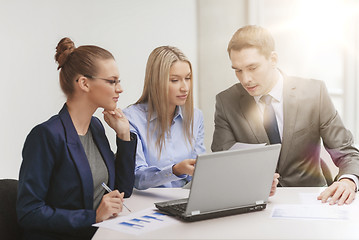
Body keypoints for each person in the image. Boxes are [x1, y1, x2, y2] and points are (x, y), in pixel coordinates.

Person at [212, 25, 359, 205]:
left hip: (311, 201)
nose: (245, 79)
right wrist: (252, 182)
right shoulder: (226, 102)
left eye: (252, 68)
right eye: (238, 70)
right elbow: (222, 163)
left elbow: (346, 152)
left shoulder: (314, 92)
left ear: (273, 59)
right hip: (253, 203)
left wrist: (348, 181)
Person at [17, 37, 137, 240]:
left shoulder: (95, 127)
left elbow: (123, 190)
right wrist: (93, 216)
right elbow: (29, 212)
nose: (120, 89)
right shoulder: (46, 135)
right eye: (112, 81)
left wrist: (124, 136)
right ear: (84, 83)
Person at [123, 46, 205, 190]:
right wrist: (175, 171)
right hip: (147, 204)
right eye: (175, 80)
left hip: (182, 200)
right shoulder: (132, 119)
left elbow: (198, 172)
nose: (185, 87)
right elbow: (138, 178)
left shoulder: (195, 116)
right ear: (156, 82)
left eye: (188, 78)